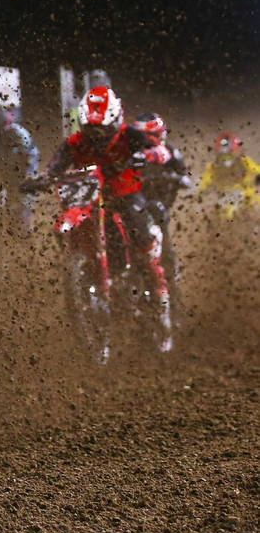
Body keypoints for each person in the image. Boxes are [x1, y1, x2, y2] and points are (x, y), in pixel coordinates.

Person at [26, 86, 174, 350]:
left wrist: (145, 156)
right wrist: (42, 180)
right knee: (71, 227)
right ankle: (87, 273)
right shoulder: (73, 143)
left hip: (124, 196)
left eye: (101, 130)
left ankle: (162, 310)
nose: (95, 137)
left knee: (143, 238)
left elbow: (162, 151)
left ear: (116, 120)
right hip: (90, 200)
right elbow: (55, 167)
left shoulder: (130, 134)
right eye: (90, 130)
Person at [133, 113, 189, 323]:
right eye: (144, 136)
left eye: (152, 136)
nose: (148, 141)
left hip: (156, 208)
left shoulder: (170, 152)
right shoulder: (126, 152)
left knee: (166, 254)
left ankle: (174, 305)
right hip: (129, 205)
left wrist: (176, 178)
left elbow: (184, 174)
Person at [198, 131, 260, 218]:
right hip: (224, 199)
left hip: (247, 198)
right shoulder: (213, 167)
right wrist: (201, 192)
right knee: (221, 215)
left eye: (230, 154)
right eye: (224, 155)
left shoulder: (244, 161)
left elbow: (257, 169)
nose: (227, 158)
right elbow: (203, 184)